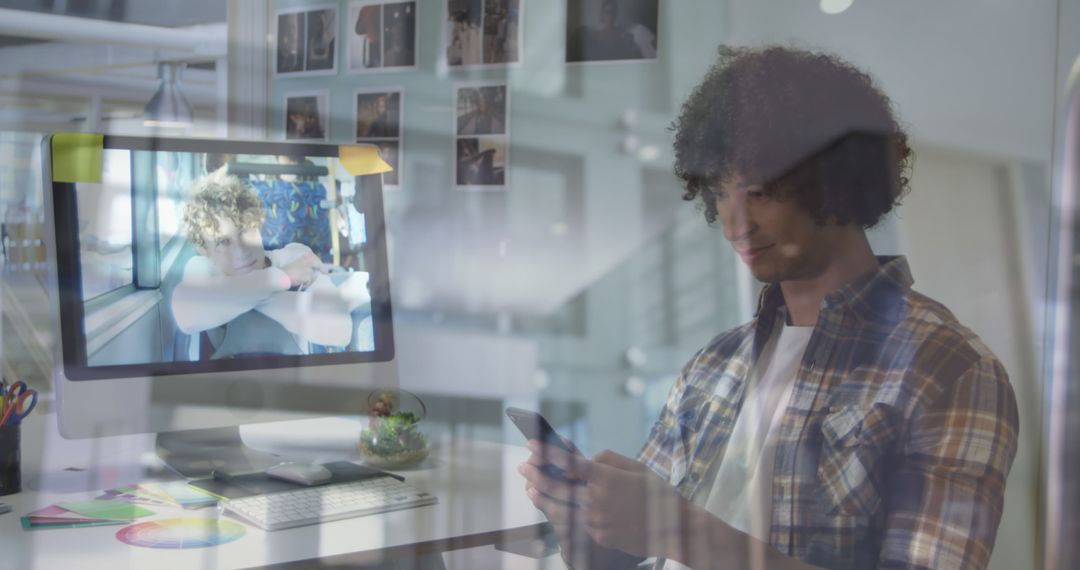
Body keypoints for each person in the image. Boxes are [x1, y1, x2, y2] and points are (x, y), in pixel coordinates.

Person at [519, 46, 1020, 570]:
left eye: (758, 193)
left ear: (836, 181)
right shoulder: (715, 365)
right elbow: (628, 559)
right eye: (718, 194)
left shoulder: (948, 368)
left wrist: (682, 531)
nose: (735, 226)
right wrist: (581, 514)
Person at [171, 174, 371, 358]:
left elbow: (339, 331)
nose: (242, 251)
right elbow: (187, 317)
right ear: (204, 249)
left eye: (245, 231)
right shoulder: (202, 267)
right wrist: (283, 279)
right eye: (223, 242)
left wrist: (243, 296)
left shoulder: (295, 255)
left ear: (258, 224)